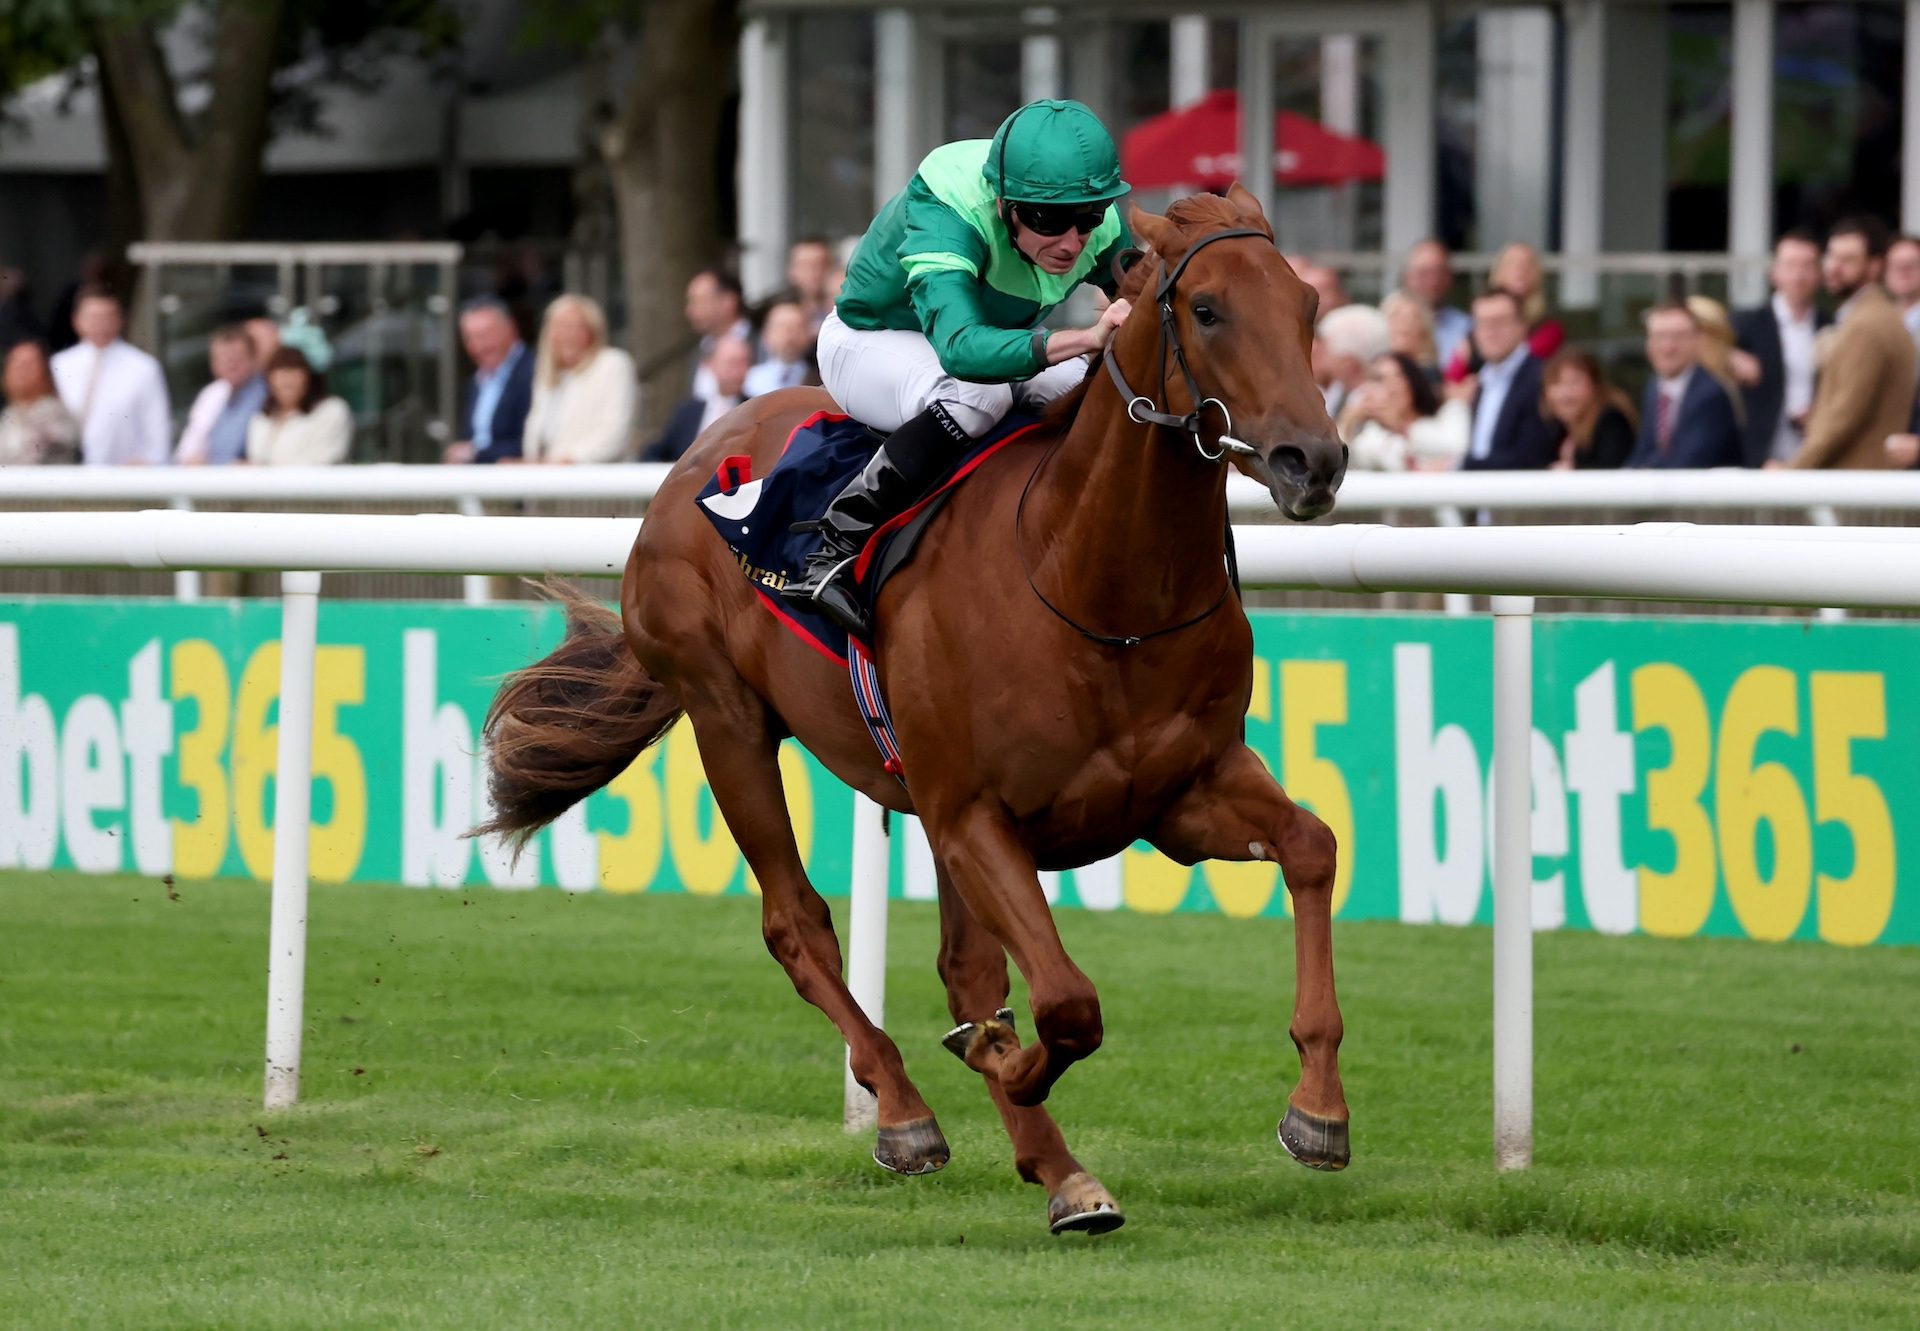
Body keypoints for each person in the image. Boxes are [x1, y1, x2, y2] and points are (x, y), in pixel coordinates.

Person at [783, 98, 1137, 632]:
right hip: (871, 340)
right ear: (1004, 204)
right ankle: (836, 544)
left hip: (988, 342)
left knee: (1100, 388)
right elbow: (962, 350)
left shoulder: (1095, 219)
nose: (1072, 242)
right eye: (1050, 221)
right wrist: (1086, 335)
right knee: (980, 396)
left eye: (1086, 220)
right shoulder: (948, 205)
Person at [1791, 216, 1917, 470]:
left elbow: (1843, 419)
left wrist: (1790, 472)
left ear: (1874, 267)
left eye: (1847, 260)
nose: (1833, 267)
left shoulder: (1866, 325)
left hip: (1855, 485)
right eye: (1831, 256)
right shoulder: (1871, 316)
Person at [1730, 230, 1826, 467]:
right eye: (1791, 265)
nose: (1799, 275)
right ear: (1774, 273)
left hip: (1815, 452)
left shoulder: (1832, 325)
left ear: (1819, 274)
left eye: (1807, 266)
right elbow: (1703, 348)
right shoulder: (1746, 323)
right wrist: (1728, 356)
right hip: (1761, 454)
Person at [47, 285, 170, 466]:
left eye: (107, 317)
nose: (101, 324)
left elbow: (157, 431)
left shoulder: (144, 367)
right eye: (93, 317)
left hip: (123, 479)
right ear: (77, 320)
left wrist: (149, 463)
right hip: (67, 476)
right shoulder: (58, 365)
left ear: (120, 320)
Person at [522, 294, 638, 464]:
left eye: (576, 327)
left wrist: (568, 459)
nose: (568, 335)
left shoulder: (613, 364)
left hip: (597, 481)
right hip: (547, 481)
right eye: (560, 327)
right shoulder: (547, 374)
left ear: (592, 332)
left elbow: (615, 432)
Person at [1625, 302, 1742, 469]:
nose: (1667, 347)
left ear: (1696, 341)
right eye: (1659, 336)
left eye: (1678, 337)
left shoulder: (1711, 394)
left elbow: (1690, 461)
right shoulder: (1654, 387)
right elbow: (1644, 451)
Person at [1460, 287, 1559, 470]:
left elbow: (1532, 457)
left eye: (1499, 322)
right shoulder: (1481, 381)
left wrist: (1459, 465)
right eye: (1482, 323)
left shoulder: (1541, 378)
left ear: (1522, 326)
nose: (1490, 331)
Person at [1446, 243, 1565, 382]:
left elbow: (1522, 364)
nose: (1520, 271)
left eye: (1527, 265)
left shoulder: (1548, 328)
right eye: (1512, 264)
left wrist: (1480, 383)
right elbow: (1452, 378)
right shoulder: (1474, 331)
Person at [1337, 352, 1467, 471]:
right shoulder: (1373, 433)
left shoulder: (1451, 411)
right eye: (1380, 379)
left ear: (1413, 380)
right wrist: (1348, 422)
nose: (1391, 386)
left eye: (1399, 375)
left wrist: (1403, 428)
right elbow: (1348, 463)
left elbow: (1459, 448)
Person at [442, 297, 533, 465]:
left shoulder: (535, 372)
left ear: (510, 329)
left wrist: (475, 453)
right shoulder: (478, 380)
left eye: (485, 335)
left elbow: (534, 443)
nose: (478, 346)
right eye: (470, 338)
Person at [643, 335, 753, 463]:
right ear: (711, 365)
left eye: (744, 362)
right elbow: (660, 450)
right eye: (731, 363)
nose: (738, 371)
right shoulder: (688, 412)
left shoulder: (758, 411)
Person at [175, 325, 267, 465]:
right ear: (214, 365)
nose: (232, 365)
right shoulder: (214, 395)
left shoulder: (269, 395)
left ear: (253, 358)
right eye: (225, 359)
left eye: (238, 358)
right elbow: (187, 451)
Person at [246, 346, 352, 465]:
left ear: (307, 377)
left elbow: (325, 460)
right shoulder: (261, 418)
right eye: (280, 373)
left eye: (294, 372)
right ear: (270, 381)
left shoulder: (331, 410)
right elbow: (256, 460)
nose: (287, 380)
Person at [1540, 346, 1636, 470]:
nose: (1565, 394)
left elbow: (1609, 474)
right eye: (1556, 383)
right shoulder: (1555, 428)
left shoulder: (1611, 422)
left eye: (1574, 382)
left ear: (1594, 385)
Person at [0, 341, 80, 465]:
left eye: (28, 365)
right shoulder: (10, 413)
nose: (20, 371)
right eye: (15, 364)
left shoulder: (54, 413)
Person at [1399, 239, 1472, 368]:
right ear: (1407, 277)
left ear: (1449, 277)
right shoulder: (1386, 324)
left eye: (1439, 273)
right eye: (1423, 273)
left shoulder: (1467, 328)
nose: (1432, 281)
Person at [684, 268, 752, 400]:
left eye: (699, 301)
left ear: (729, 302)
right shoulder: (698, 352)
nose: (689, 311)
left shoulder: (762, 345)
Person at [1314, 305, 1390, 418]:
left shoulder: (1372, 405)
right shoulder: (1343, 396)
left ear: (1348, 361)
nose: (1322, 354)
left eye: (1326, 349)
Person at [744, 301, 815, 397]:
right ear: (765, 335)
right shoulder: (749, 380)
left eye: (797, 327)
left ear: (808, 335)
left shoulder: (820, 379)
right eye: (781, 327)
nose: (790, 334)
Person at [784, 237, 838, 333]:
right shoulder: (777, 312)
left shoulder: (842, 312)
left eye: (820, 264)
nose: (812, 271)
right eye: (804, 265)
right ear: (791, 271)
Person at [1379, 291, 1439, 377]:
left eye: (1413, 317)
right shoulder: (1372, 372)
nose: (1405, 323)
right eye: (1396, 316)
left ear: (1423, 329)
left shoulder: (1431, 375)